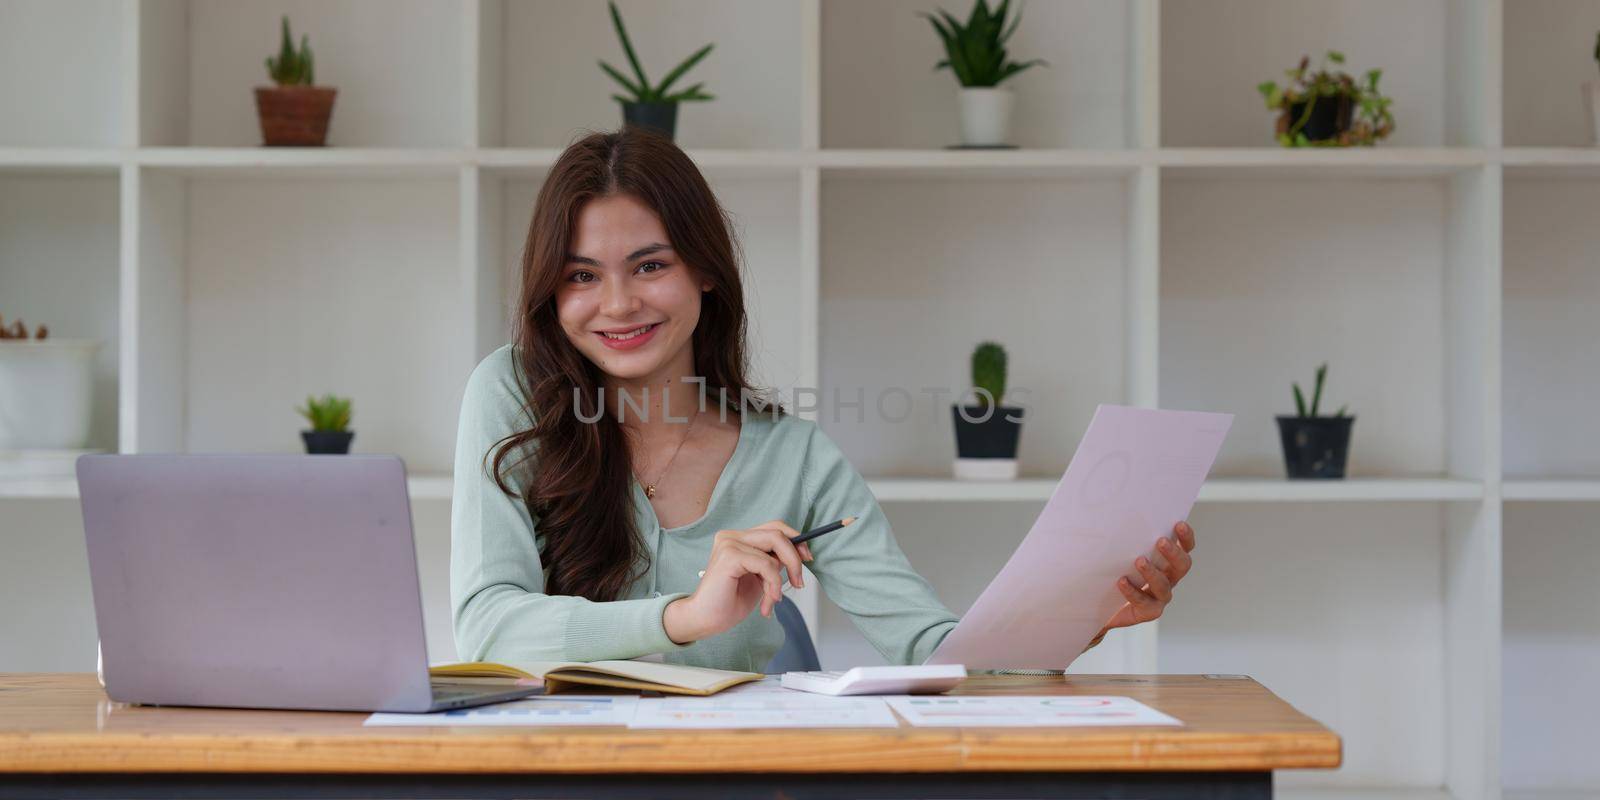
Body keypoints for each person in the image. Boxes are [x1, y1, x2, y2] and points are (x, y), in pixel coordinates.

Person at [450, 127, 1197, 673]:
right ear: (551, 288)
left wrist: (1081, 616)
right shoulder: (513, 394)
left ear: (705, 272)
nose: (617, 303)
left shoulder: (794, 458)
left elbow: (935, 652)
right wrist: (686, 617)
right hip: (553, 773)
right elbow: (486, 629)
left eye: (650, 265)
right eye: (581, 276)